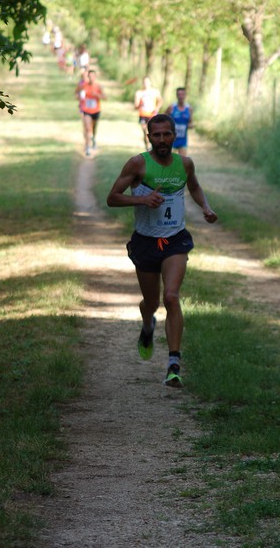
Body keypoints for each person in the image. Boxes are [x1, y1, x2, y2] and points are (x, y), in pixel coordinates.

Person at [106, 113, 217, 388]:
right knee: (151, 303)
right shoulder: (138, 164)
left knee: (171, 297)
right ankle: (147, 326)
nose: (162, 139)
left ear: (174, 135)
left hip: (175, 240)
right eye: (156, 135)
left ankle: (174, 364)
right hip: (145, 242)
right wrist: (142, 199)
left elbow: (194, 187)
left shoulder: (185, 164)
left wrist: (205, 207)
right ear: (149, 137)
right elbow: (112, 198)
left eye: (167, 134)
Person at [79, 69, 106, 156]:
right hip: (86, 110)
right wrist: (80, 98)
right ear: (88, 77)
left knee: (93, 128)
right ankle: (87, 147)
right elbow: (77, 93)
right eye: (89, 76)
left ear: (95, 77)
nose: (91, 78)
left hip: (96, 110)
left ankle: (93, 138)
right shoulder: (84, 85)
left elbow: (105, 97)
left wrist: (97, 95)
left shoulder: (98, 86)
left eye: (93, 76)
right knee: (87, 128)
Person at [134, 76, 163, 150]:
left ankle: (152, 146)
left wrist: (157, 108)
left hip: (152, 114)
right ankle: (147, 147)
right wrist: (140, 104)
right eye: (144, 82)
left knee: (151, 131)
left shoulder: (155, 92)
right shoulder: (139, 93)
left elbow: (160, 101)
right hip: (143, 114)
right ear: (142, 83)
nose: (146, 84)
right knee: (145, 132)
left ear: (150, 82)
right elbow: (136, 106)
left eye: (147, 82)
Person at [165, 87, 193, 155]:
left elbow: (190, 122)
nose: (181, 96)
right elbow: (164, 118)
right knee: (170, 161)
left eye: (182, 94)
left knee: (182, 161)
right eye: (179, 94)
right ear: (176, 96)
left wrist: (190, 125)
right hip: (171, 139)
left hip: (182, 139)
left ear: (185, 96)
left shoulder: (189, 109)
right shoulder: (171, 107)